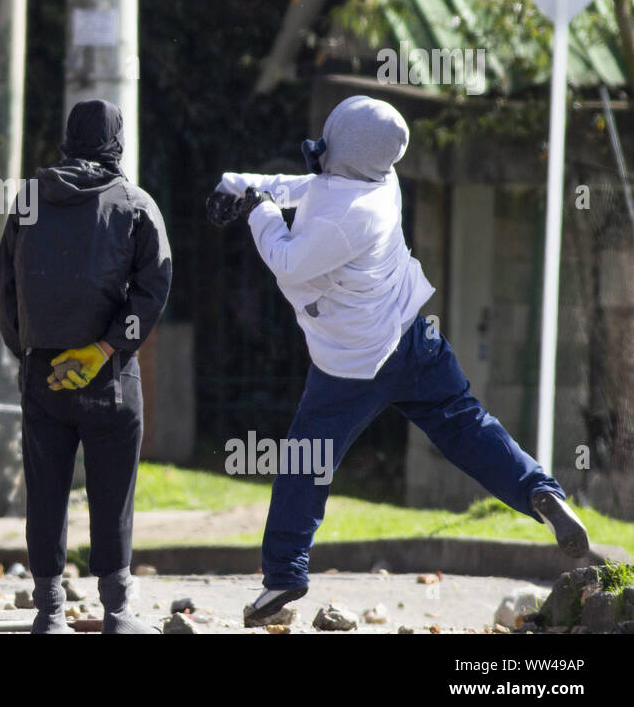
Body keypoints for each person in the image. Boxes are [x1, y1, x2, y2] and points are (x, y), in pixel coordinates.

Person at [208, 95, 588, 623]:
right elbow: (310, 186)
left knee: (305, 464)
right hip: (414, 339)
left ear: (342, 144)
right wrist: (238, 184)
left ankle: (283, 579)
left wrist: (257, 210)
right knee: (468, 426)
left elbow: (289, 262)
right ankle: (541, 493)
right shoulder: (381, 181)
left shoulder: (349, 217)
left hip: (351, 366)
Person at [0, 99, 172, 634]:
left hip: (43, 374)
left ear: (68, 141)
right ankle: (117, 613)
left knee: (45, 489)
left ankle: (49, 614)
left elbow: (4, 288)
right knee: (112, 491)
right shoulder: (136, 206)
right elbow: (153, 290)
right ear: (116, 144)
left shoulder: (28, 201)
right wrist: (103, 349)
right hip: (109, 375)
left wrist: (30, 353)